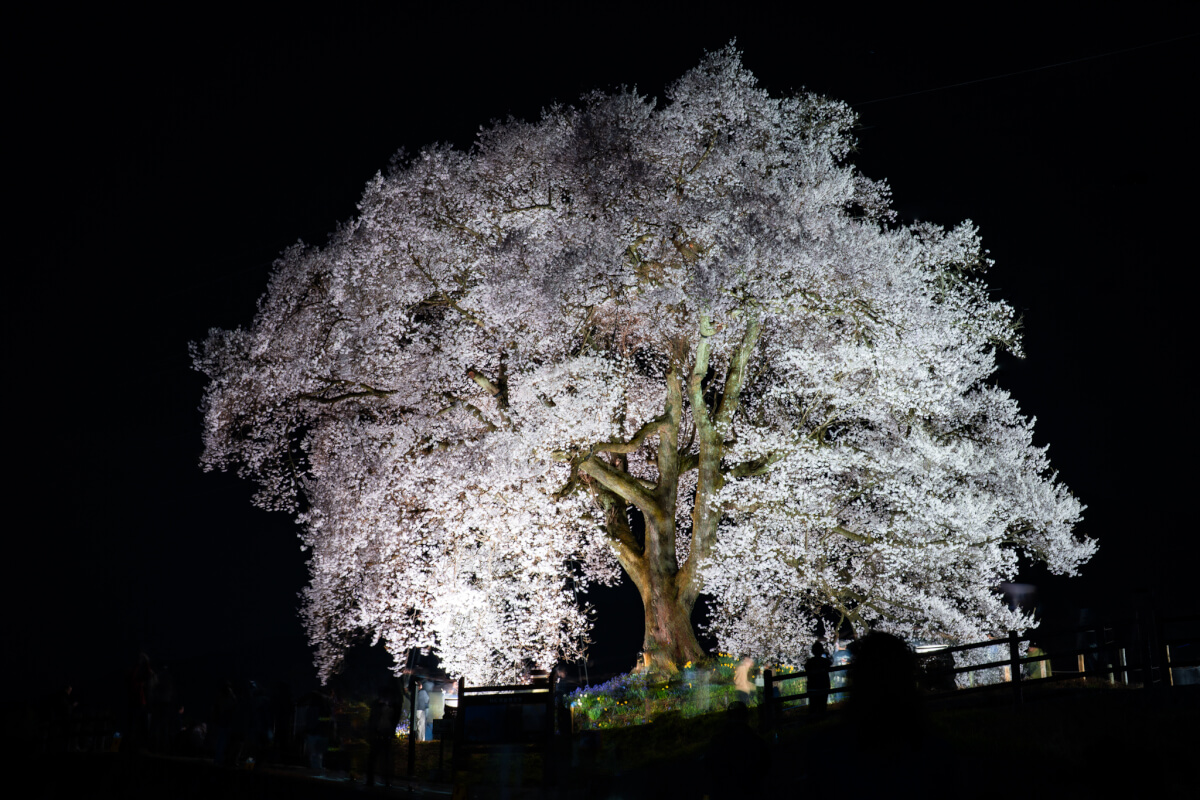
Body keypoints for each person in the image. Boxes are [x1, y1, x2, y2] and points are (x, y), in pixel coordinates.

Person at [365, 686, 398, 787]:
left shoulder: (383, 705)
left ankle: (383, 779)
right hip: (380, 733)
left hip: (383, 733)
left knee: (382, 757)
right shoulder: (383, 705)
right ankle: (381, 779)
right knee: (380, 757)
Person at [804, 641, 832, 715]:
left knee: (813, 707)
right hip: (824, 686)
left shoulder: (809, 662)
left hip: (812, 687)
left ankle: (813, 722)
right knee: (822, 706)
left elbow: (806, 668)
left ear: (813, 651)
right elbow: (830, 662)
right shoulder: (825, 661)